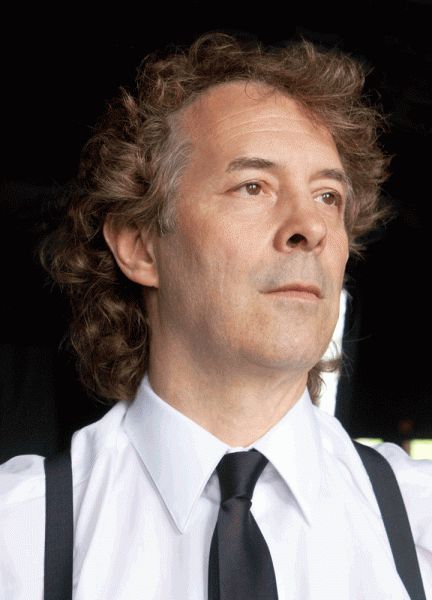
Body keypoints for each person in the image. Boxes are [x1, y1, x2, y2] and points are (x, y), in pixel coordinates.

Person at [1, 32, 431, 600]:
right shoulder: (17, 537)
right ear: (140, 246)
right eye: (253, 186)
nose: (312, 227)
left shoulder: (420, 522)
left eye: (328, 195)